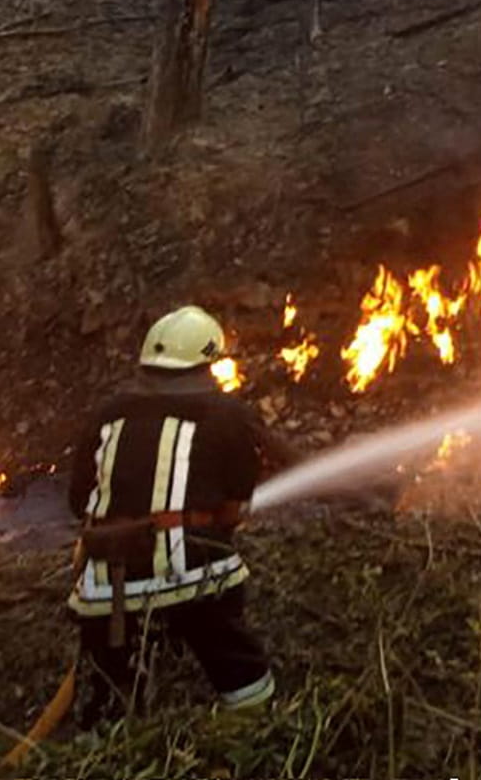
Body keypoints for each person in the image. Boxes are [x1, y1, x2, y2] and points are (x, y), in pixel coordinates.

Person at [64, 305, 298, 725]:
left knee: (109, 690)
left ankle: (109, 741)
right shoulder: (227, 414)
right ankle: (253, 729)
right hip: (193, 572)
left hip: (105, 585)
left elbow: (79, 498)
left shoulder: (106, 413)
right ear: (208, 363)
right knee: (236, 661)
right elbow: (238, 495)